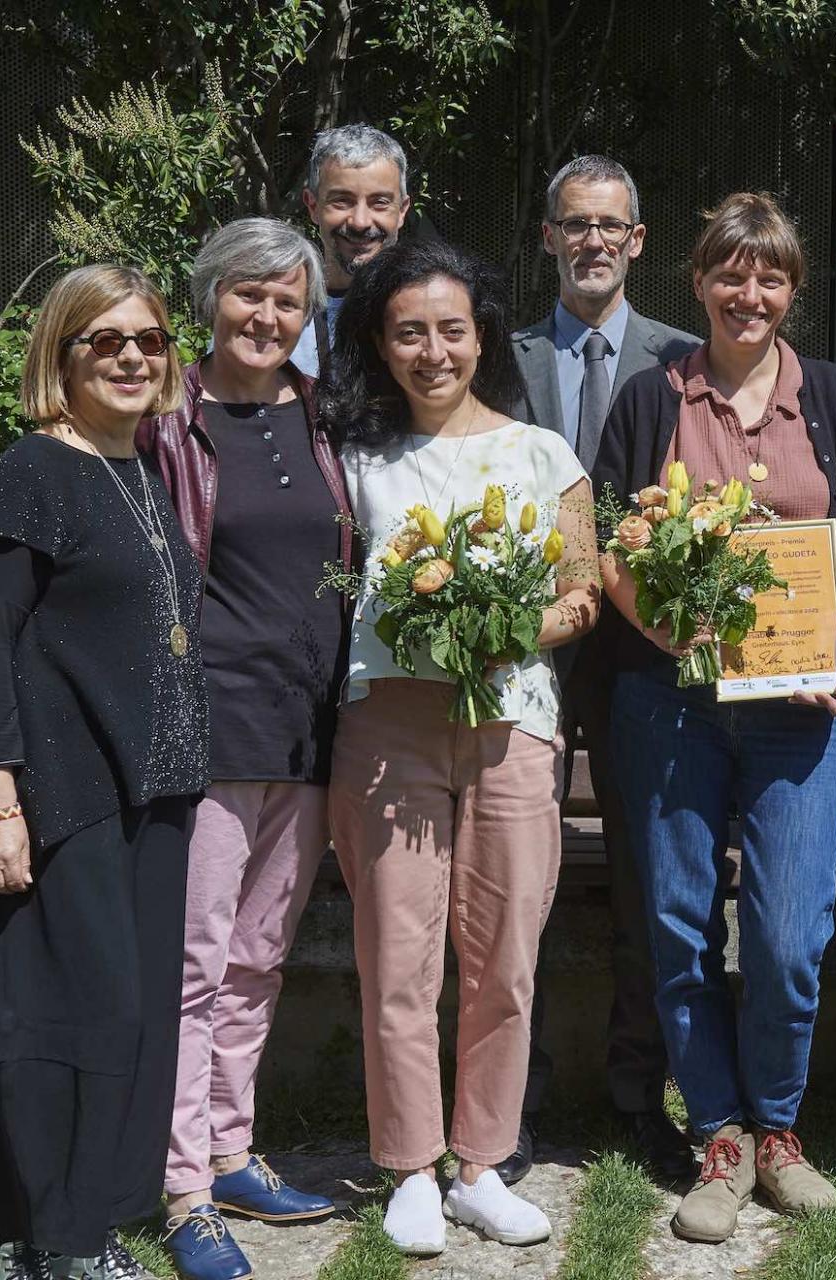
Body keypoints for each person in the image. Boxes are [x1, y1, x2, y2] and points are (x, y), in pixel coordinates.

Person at [592, 192, 836, 1243]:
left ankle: (778, 1124)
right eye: (730, 273)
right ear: (700, 281)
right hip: (669, 701)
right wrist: (675, 636)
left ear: (792, 290)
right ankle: (719, 1130)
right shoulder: (648, 399)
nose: (748, 294)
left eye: (768, 277)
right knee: (676, 920)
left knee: (786, 930)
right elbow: (612, 543)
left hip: (801, 707)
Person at [321, 238, 600, 1256]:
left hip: (512, 723)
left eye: (451, 328)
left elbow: (583, 587)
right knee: (396, 953)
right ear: (381, 343)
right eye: (409, 332)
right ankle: (407, 1165)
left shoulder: (545, 453)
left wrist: (510, 630)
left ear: (482, 333)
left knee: (504, 954)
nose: (432, 350)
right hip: (388, 722)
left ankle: (480, 1162)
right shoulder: (352, 457)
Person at [0, 264, 210, 1280]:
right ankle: (48, 1236)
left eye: (148, 338)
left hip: (148, 794)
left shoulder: (137, 466)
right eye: (105, 341)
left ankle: (65, 1230)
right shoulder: (35, 468)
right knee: (64, 1020)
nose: (133, 356)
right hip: (61, 796)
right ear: (59, 357)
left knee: (127, 1017)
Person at [147, 218, 348, 1280]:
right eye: (248, 296)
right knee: (195, 960)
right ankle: (182, 1186)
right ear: (210, 299)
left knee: (260, 954)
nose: (267, 316)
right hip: (209, 720)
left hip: (305, 724)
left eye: (287, 301)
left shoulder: (318, 416)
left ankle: (232, 1145)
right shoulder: (164, 414)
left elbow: (336, 565)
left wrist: (373, 612)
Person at [501, 154, 701, 1187]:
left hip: (645, 656)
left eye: (609, 225)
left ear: (637, 240)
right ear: (548, 237)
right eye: (572, 223)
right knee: (513, 880)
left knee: (645, 880)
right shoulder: (503, 352)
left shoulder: (684, 359)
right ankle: (510, 1100)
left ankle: (639, 1093)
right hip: (524, 651)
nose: (591, 240)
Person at [289, 124, 411, 377]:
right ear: (312, 206)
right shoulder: (277, 314)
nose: (360, 222)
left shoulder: (434, 309)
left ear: (402, 211)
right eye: (342, 201)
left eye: (380, 203)